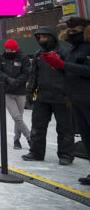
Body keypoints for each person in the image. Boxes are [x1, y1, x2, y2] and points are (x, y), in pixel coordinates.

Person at [44, 18, 90, 184]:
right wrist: (57, 65)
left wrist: (62, 64)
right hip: (76, 98)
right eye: (69, 30)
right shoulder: (70, 50)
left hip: (87, 97)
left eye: (75, 30)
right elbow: (70, 72)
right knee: (86, 138)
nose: (71, 32)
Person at [22, 25, 73, 165]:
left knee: (64, 127)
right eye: (40, 37)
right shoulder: (38, 54)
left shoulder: (64, 53)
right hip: (43, 96)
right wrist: (30, 92)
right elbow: (34, 75)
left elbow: (71, 72)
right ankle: (36, 152)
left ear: (52, 37)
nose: (42, 39)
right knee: (38, 126)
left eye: (44, 37)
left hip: (62, 95)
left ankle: (66, 155)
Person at [0, 39, 32, 149]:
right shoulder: (1, 57)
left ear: (16, 49)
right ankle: (29, 137)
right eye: (7, 49)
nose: (9, 51)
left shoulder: (23, 57)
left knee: (19, 117)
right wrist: (8, 79)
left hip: (20, 91)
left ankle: (16, 140)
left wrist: (17, 82)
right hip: (7, 92)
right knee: (16, 116)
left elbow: (26, 72)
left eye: (11, 50)